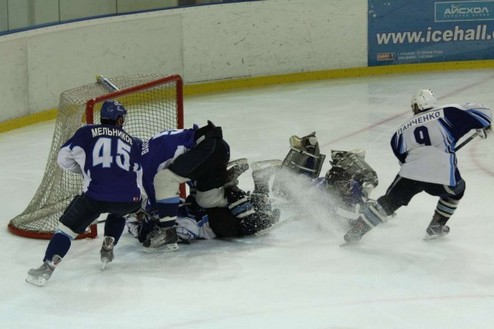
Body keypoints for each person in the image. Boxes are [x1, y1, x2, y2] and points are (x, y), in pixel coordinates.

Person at [343, 89, 492, 243]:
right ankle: (436, 226)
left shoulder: (401, 131)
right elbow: (484, 111)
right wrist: (483, 125)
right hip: (441, 175)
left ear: (415, 106)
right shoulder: (449, 112)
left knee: (388, 202)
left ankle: (357, 230)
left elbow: (402, 157)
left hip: (411, 174)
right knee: (457, 190)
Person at [26, 100, 143, 286]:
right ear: (119, 119)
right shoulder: (135, 142)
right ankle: (108, 246)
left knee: (66, 230)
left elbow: (62, 158)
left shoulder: (86, 132)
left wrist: (87, 170)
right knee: (119, 210)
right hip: (130, 198)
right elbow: (139, 171)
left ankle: (47, 268)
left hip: (96, 197)